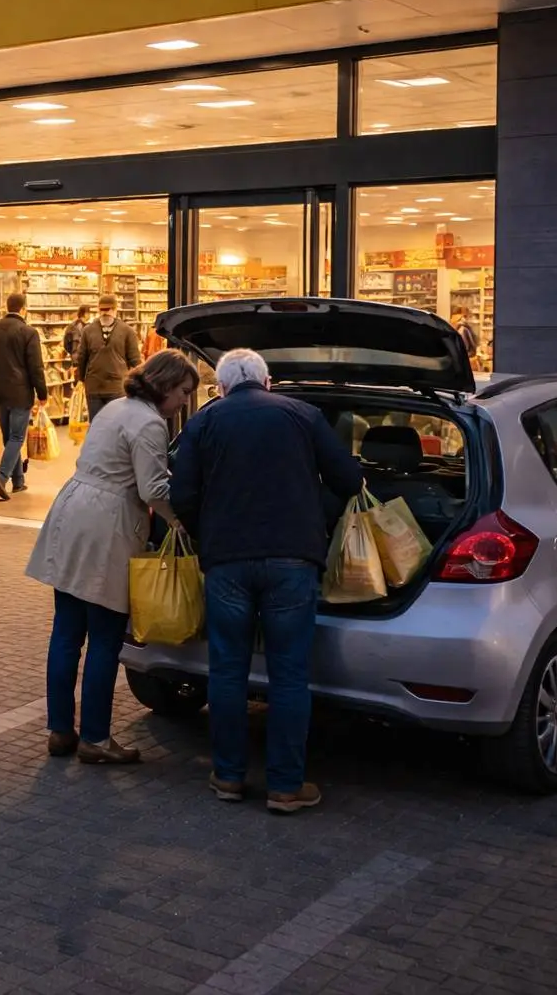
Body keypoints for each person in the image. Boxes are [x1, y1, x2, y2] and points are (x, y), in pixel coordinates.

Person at [169, 349, 363, 814]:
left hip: (227, 562)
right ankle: (285, 786)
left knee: (229, 672)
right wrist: (320, 517)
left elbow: (182, 494)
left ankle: (229, 777)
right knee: (290, 675)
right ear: (267, 381)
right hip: (293, 561)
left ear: (220, 388)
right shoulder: (304, 415)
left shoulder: (204, 422)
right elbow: (349, 479)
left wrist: (205, 534)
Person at [27, 351, 198, 763]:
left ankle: (61, 731)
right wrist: (179, 522)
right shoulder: (150, 424)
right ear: (165, 385)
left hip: (73, 510)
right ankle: (97, 739)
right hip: (108, 523)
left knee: (66, 632)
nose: (184, 403)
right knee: (105, 637)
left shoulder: (116, 408)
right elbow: (153, 490)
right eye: (183, 392)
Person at [0, 293, 47, 502]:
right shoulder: (29, 332)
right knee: (17, 438)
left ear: (7, 307)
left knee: (9, 439)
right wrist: (42, 393)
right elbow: (36, 367)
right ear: (23, 309)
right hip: (20, 392)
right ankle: (1, 476)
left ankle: (18, 481)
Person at [73, 294, 142, 421]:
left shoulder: (127, 331)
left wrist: (140, 383)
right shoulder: (88, 331)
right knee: (96, 425)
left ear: (115, 310)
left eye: (108, 309)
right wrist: (81, 379)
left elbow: (135, 359)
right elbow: (82, 357)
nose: (105, 313)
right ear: (98, 310)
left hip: (118, 388)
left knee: (117, 424)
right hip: (94, 388)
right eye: (102, 310)